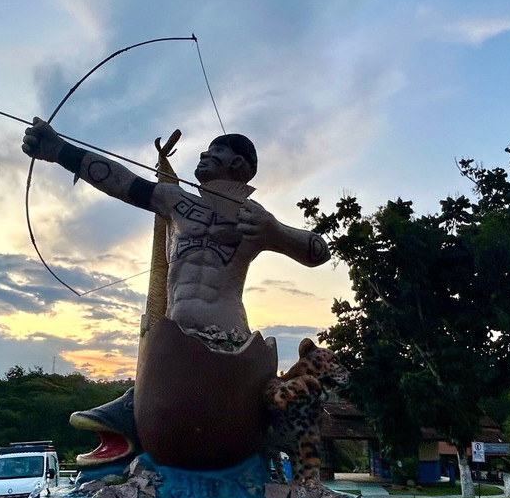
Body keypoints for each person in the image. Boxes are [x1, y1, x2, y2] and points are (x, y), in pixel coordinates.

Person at [22, 122, 330, 341]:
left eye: (215, 152)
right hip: (173, 335)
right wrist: (59, 150)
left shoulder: (254, 219)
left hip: (227, 335)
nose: (203, 155)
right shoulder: (174, 200)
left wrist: (275, 231)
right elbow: (120, 181)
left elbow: (318, 251)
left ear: (236, 163)